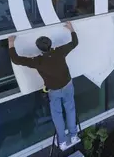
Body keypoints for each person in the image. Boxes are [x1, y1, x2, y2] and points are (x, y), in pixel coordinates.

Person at [8, 22, 79, 151]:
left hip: (54, 90)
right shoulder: (59, 52)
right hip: (67, 85)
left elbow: (16, 59)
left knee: (57, 115)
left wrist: (11, 42)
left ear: (39, 48)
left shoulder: (38, 61)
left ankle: (62, 141)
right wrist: (71, 29)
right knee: (70, 109)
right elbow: (74, 43)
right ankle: (74, 136)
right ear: (50, 44)